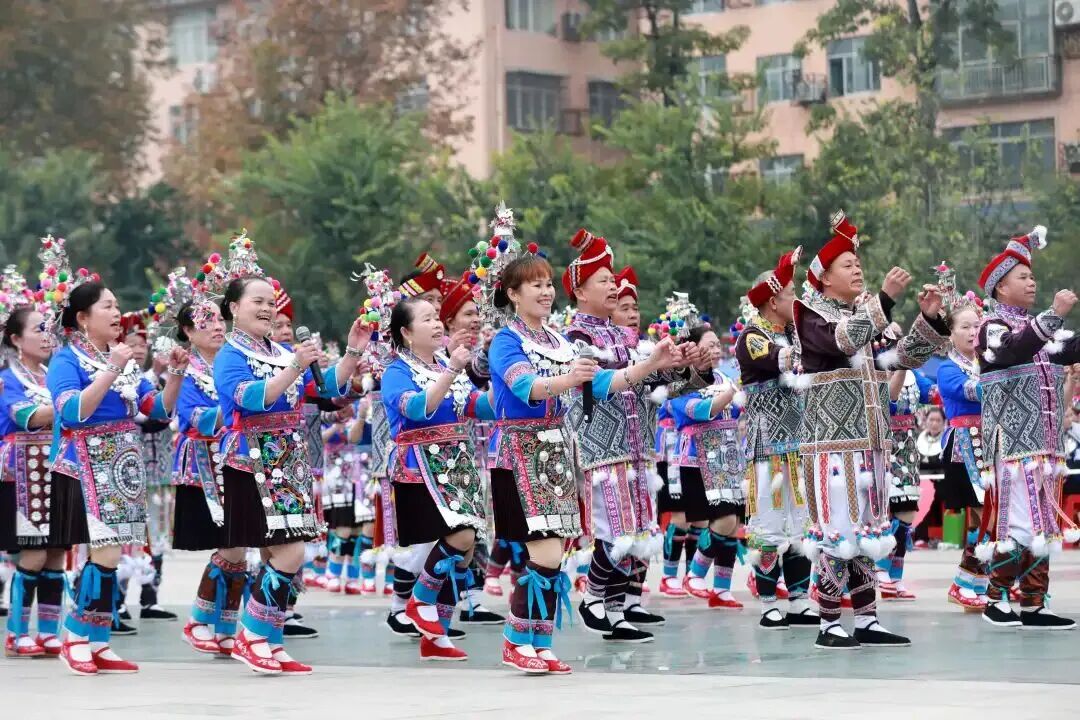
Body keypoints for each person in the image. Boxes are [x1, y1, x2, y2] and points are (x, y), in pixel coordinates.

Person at [482, 205, 677, 673]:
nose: (546, 292)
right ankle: (516, 640)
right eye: (535, 285)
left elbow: (603, 383)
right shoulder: (506, 341)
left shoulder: (558, 340)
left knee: (554, 554)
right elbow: (527, 388)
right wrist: (571, 379)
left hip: (556, 451)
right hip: (519, 452)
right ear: (512, 294)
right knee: (543, 552)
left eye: (548, 284)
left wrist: (651, 365)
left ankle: (538, 642)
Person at [209, 233, 371, 675]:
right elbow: (251, 398)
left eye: (271, 303)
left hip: (287, 459)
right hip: (250, 461)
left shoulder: (280, 351)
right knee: (289, 553)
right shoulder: (229, 355)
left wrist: (353, 350)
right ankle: (251, 636)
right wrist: (295, 365)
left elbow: (328, 389)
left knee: (281, 555)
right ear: (233, 308)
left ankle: (270, 640)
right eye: (257, 301)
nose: (267, 309)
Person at [794, 211, 947, 649]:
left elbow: (901, 359)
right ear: (824, 277)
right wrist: (884, 300)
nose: (857, 269)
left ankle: (866, 618)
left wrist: (928, 320)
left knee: (867, 534)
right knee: (838, 532)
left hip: (872, 443)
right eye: (848, 264)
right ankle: (828, 622)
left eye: (859, 263)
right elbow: (841, 340)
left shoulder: (864, 316)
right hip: (833, 447)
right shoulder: (811, 314)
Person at [42, 234, 186, 675]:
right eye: (107, 306)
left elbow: (157, 410)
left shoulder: (120, 360)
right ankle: (75, 637)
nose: (116, 312)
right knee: (102, 553)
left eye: (116, 305)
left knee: (112, 555)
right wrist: (111, 369)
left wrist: (176, 376)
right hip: (84, 462)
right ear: (83, 318)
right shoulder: (67, 360)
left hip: (122, 462)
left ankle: (98, 641)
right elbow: (72, 411)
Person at [975, 226, 1080, 629]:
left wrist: (1052, 324)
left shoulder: (1040, 331)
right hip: (1012, 446)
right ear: (1000, 287)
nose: (1032, 282)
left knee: (1043, 524)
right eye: (1023, 276)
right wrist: (1053, 316)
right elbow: (1011, 351)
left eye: (1032, 276)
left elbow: (1070, 347)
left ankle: (1034, 603)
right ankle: (995, 598)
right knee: (1018, 521)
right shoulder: (992, 326)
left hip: (1045, 446)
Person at [382, 297, 495, 661]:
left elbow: (476, 405)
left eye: (436, 318)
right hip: (420, 468)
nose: (436, 324)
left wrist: (507, 378)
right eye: (427, 319)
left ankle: (436, 635)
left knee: (463, 551)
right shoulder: (396, 371)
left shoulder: (446, 364)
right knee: (460, 538)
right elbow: (418, 408)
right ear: (406, 332)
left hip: (457, 464)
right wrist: (453, 371)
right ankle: (419, 601)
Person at [738, 247, 818, 630]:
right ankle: (768, 601)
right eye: (791, 294)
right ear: (773, 302)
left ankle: (800, 599)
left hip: (798, 445)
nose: (796, 300)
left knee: (800, 523)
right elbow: (780, 359)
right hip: (767, 447)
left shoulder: (792, 332)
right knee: (768, 524)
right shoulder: (752, 337)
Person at [1, 271, 65, 658]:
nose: (47, 336)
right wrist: (78, 400)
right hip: (25, 473)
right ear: (15, 339)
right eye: (39, 330)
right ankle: (16, 631)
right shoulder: (8, 379)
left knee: (57, 551)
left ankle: (49, 630)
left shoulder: (52, 375)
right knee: (34, 553)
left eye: (50, 329)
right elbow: (28, 416)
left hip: (57, 468)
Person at [671, 325, 745, 611]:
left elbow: (737, 411)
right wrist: (733, 392)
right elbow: (700, 410)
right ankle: (695, 573)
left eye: (717, 345)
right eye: (709, 345)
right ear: (693, 348)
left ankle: (722, 589)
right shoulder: (682, 382)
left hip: (728, 459)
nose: (716, 350)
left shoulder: (724, 377)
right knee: (723, 520)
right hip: (698, 460)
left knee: (733, 525)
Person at [935, 277, 991, 612]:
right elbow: (970, 391)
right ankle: (964, 583)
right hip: (964, 447)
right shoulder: (947, 368)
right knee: (984, 516)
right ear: (951, 334)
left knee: (982, 518)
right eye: (965, 327)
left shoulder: (986, 363)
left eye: (977, 326)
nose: (973, 332)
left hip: (988, 444)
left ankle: (976, 584)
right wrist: (1000, 379)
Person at [877, 367, 933, 601]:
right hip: (884, 444)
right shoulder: (877, 368)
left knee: (907, 512)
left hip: (908, 448)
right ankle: (880, 568)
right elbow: (887, 402)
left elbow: (931, 394)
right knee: (885, 511)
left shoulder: (914, 373)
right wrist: (898, 369)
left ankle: (896, 575)